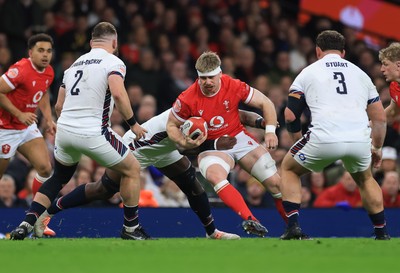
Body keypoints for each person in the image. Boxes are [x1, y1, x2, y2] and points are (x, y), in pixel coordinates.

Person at [33, 108, 268, 239]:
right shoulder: (179, 119)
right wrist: (216, 146)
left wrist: (261, 122)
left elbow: (234, 113)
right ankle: (49, 211)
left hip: (165, 149)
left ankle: (212, 232)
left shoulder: (202, 108)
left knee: (192, 184)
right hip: (138, 147)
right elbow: (184, 145)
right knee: (104, 190)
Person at [10, 22, 148, 240]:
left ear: (92, 43)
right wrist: (133, 124)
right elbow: (119, 95)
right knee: (132, 168)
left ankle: (26, 222)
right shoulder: (114, 62)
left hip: (65, 131)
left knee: (58, 178)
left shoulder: (74, 65)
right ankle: (131, 228)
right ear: (114, 42)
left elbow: (58, 106)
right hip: (94, 131)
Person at [280, 30, 389, 240]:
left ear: (318, 51)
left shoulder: (307, 72)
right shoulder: (361, 74)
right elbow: (379, 118)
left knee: (288, 168)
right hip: (358, 139)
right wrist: (376, 148)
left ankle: (293, 227)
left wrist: (297, 143)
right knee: (365, 178)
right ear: (344, 52)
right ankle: (382, 233)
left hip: (323, 138)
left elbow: (291, 114)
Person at [166, 51, 287, 237]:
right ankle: (251, 220)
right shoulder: (187, 98)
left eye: (211, 77)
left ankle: (294, 228)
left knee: (276, 184)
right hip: (211, 147)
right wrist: (184, 141)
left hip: (238, 138)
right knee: (215, 176)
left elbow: (266, 102)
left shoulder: (233, 85)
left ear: (220, 74)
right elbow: (171, 125)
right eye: (203, 78)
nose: (207, 82)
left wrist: (269, 131)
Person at [0, 33, 56, 236]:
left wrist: (49, 119)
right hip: (5, 128)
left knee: (44, 168)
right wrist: (19, 113)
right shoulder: (20, 70)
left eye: (48, 51)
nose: (45, 55)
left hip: (26, 127)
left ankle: (37, 219)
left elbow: (43, 93)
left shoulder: (48, 71)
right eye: (40, 50)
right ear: (30, 52)